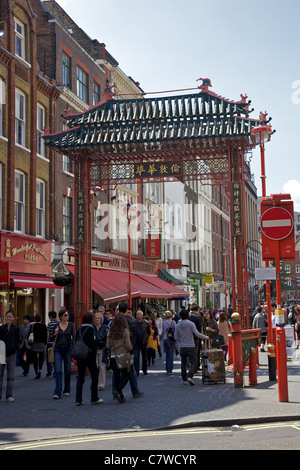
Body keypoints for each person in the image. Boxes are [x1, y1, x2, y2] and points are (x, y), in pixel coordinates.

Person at [75, 312, 103, 406]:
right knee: (94, 374)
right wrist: (99, 343)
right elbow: (92, 342)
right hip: (89, 355)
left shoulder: (79, 329)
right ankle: (94, 397)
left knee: (81, 377)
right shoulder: (90, 329)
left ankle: (78, 399)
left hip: (80, 355)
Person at [118, 302, 144, 399]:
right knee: (130, 370)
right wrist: (132, 348)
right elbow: (130, 336)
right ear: (126, 310)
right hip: (126, 349)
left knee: (118, 372)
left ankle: (115, 392)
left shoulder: (115, 320)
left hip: (116, 349)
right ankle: (133, 391)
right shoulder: (128, 321)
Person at [174, 309, 208, 385]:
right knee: (193, 362)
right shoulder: (191, 324)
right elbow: (197, 333)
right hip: (191, 345)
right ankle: (190, 376)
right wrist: (205, 337)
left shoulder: (177, 325)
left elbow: (175, 337)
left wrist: (181, 340)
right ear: (188, 316)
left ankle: (184, 379)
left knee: (183, 362)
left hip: (182, 346)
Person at [106, 313, 133, 403]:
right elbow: (128, 345)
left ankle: (120, 396)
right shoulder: (125, 331)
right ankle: (118, 390)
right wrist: (131, 351)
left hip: (114, 357)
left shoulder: (110, 331)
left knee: (116, 375)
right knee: (126, 375)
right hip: (123, 356)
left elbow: (108, 345)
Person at [50, 308, 75, 399]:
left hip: (68, 348)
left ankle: (67, 389)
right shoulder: (56, 325)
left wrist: (74, 347)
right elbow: (51, 338)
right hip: (58, 349)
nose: (67, 316)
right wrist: (55, 334)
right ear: (61, 317)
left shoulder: (71, 325)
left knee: (67, 371)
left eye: (67, 315)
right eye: (65, 315)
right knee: (58, 370)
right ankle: (57, 392)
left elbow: (74, 337)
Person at [0, 310, 20, 402]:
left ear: (13, 318)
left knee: (10, 376)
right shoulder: (1, 328)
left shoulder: (16, 328)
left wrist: (15, 348)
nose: (8, 318)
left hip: (11, 354)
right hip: (1, 354)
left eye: (10, 317)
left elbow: (18, 340)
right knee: (0, 376)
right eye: (7, 316)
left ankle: (9, 395)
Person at [27, 313, 48, 379]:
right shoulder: (44, 326)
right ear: (41, 319)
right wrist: (45, 343)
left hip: (34, 343)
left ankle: (36, 373)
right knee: (41, 359)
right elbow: (45, 335)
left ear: (35, 319)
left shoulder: (33, 326)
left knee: (35, 359)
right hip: (42, 343)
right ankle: (40, 370)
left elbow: (29, 334)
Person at [131, 310, 150, 376]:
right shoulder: (133, 323)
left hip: (144, 342)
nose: (137, 315)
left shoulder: (145, 323)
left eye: (139, 314)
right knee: (136, 357)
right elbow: (131, 333)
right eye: (137, 314)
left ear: (142, 316)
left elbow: (148, 332)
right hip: (135, 342)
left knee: (144, 357)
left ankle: (144, 370)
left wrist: (146, 338)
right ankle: (137, 370)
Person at [93, 311, 109, 391]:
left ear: (101, 319)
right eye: (95, 318)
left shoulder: (105, 327)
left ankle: (101, 384)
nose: (97, 319)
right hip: (94, 349)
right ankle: (94, 382)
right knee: (95, 367)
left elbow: (108, 337)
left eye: (98, 318)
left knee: (102, 367)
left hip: (102, 349)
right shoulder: (92, 328)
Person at [162, 310, 176, 375]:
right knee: (171, 354)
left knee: (167, 354)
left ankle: (167, 369)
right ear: (171, 315)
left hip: (165, 339)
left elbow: (163, 331)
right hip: (172, 339)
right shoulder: (173, 322)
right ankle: (170, 369)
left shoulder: (163, 322)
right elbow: (175, 330)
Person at [189, 304, 203, 370]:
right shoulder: (198, 317)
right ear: (197, 309)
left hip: (187, 337)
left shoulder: (186, 316)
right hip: (196, 337)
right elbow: (200, 328)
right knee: (196, 352)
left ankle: (189, 366)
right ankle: (196, 366)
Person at [46, 311, 59, 377]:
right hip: (57, 342)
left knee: (49, 357)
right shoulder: (59, 323)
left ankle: (49, 370)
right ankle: (55, 371)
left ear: (50, 317)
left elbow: (48, 334)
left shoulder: (49, 324)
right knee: (56, 357)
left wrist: (47, 341)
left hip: (50, 342)